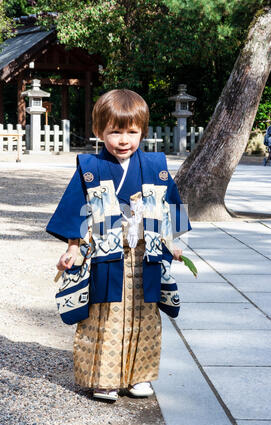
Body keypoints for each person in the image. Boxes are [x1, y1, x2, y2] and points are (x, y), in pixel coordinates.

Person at [46, 89, 191, 402]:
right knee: (104, 315)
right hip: (106, 254)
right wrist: (73, 246)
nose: (123, 140)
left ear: (142, 131)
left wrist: (174, 242)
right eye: (115, 132)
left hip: (146, 253)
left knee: (146, 315)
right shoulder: (90, 168)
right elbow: (76, 209)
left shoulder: (156, 166)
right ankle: (104, 379)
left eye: (131, 132)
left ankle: (140, 377)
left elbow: (172, 207)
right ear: (99, 131)